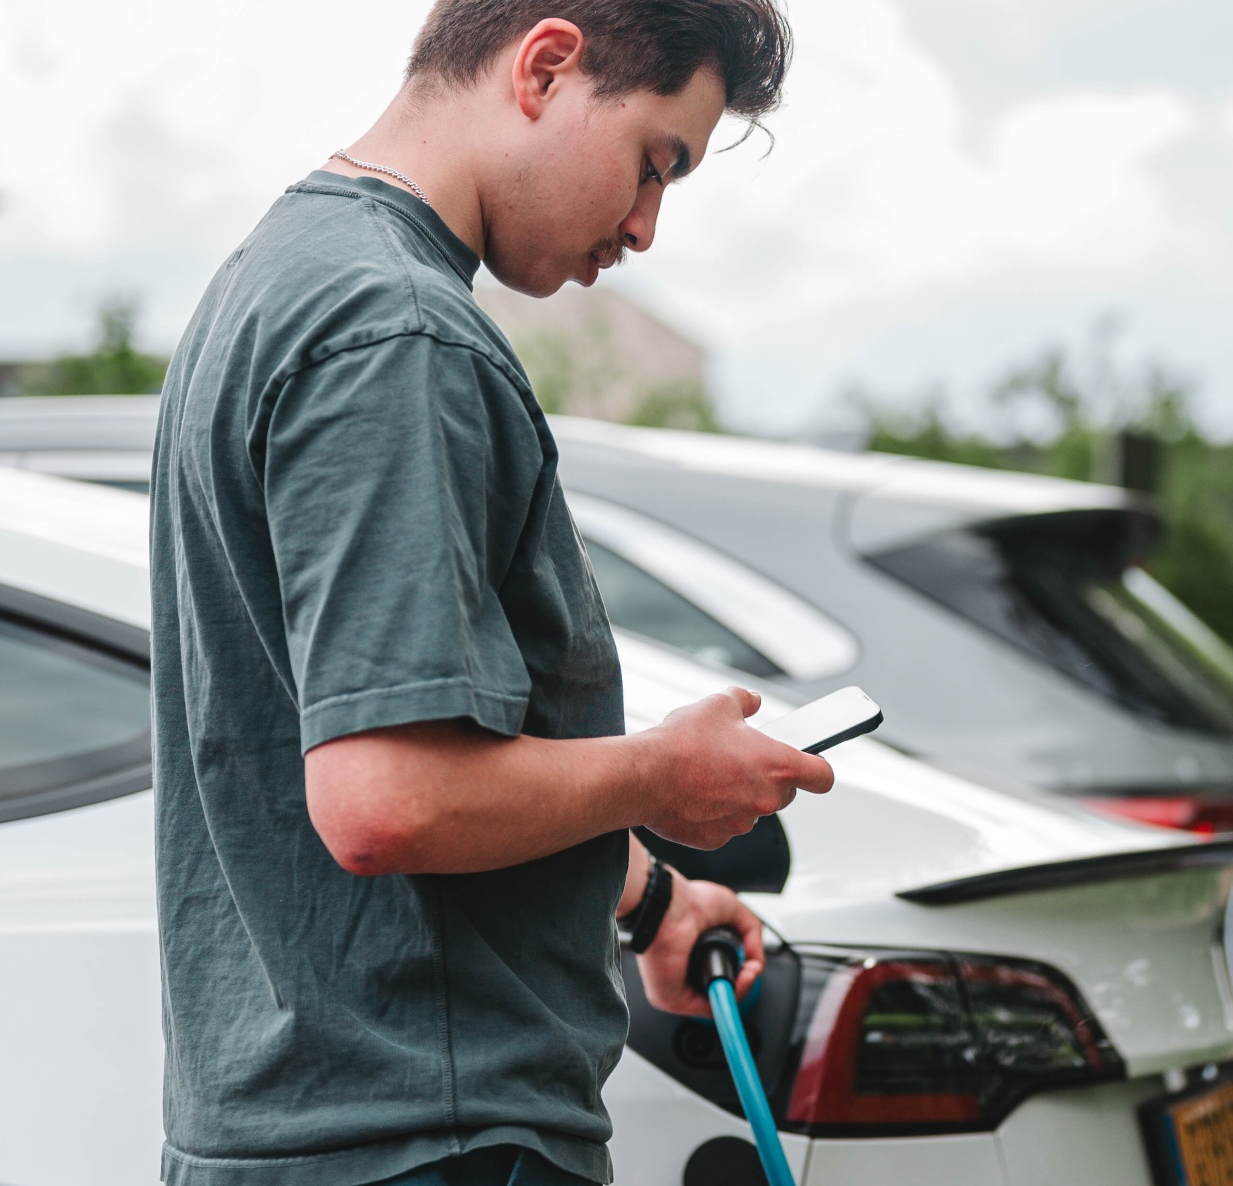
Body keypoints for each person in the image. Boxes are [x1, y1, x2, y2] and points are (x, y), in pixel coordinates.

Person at [147, 4, 824, 1185]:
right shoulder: (397, 332)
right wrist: (661, 774)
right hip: (428, 1140)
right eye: (654, 162)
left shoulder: (278, 277)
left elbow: (375, 744)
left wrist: (650, 897)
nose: (646, 225)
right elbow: (389, 800)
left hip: (307, 1133)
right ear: (546, 67)